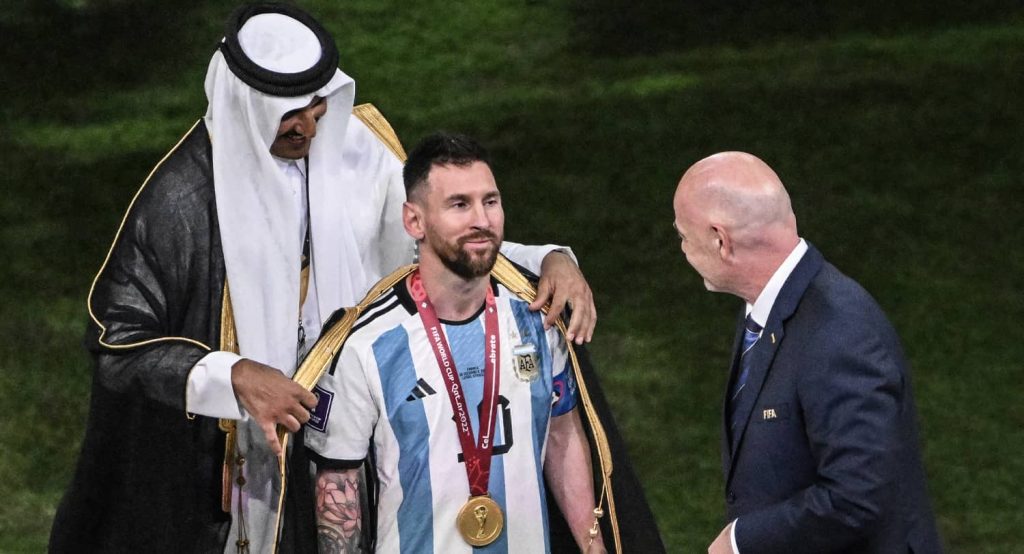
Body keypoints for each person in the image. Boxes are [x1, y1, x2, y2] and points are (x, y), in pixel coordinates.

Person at [50, 4, 596, 553]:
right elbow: (116, 340)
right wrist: (233, 377)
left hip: (366, 428)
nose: (310, 127)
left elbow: (434, 239)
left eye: (316, 106)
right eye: (290, 115)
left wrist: (548, 259)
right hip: (252, 463)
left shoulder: (358, 150)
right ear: (251, 108)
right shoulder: (181, 204)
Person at [303, 132, 607, 553]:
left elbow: (562, 436)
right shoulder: (365, 346)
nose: (480, 219)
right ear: (414, 221)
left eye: (491, 201)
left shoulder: (537, 320)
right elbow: (338, 490)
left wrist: (594, 548)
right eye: (459, 204)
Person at [671, 152, 942, 554]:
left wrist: (740, 540)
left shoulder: (839, 333)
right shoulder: (771, 305)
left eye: (683, 235)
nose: (682, 247)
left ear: (720, 240)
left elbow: (856, 497)